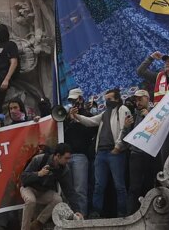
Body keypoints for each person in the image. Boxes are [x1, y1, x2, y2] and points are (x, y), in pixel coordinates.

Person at [69, 88, 132, 217]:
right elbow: (91, 122)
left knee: (119, 185)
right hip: (101, 153)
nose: (107, 102)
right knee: (99, 185)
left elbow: (124, 129)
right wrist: (76, 116)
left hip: (115, 152)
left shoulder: (123, 110)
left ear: (118, 99)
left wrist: (118, 147)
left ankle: (122, 213)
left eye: (110, 99)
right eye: (106, 99)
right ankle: (96, 212)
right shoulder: (105, 113)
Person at [20, 143, 83, 230]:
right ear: (57, 156)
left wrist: (77, 211)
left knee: (58, 199)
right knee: (31, 200)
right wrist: (38, 174)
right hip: (28, 188)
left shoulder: (64, 169)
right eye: (66, 158)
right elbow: (23, 178)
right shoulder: (39, 159)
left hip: (43, 192)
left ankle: (38, 223)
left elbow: (69, 191)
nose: (68, 161)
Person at [124, 89, 160, 214]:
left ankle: (149, 213)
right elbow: (126, 138)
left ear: (147, 98)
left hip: (150, 154)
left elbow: (159, 131)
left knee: (150, 185)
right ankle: (131, 215)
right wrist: (126, 127)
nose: (137, 102)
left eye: (140, 99)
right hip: (136, 154)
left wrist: (149, 117)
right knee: (134, 187)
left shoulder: (156, 113)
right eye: (136, 100)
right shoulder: (133, 115)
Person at [63, 88, 96, 218]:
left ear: (80, 99)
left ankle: (81, 217)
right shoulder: (65, 116)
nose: (72, 103)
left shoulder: (87, 116)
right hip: (65, 156)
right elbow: (61, 135)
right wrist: (69, 120)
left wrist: (78, 119)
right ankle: (68, 217)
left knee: (80, 189)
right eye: (70, 100)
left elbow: (90, 134)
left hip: (80, 156)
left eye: (74, 100)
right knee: (67, 190)